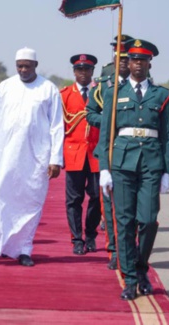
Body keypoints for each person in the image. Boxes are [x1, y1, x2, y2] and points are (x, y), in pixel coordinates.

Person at [98, 39, 169, 300]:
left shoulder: (162, 95)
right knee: (125, 222)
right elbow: (106, 133)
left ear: (150, 63)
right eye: (134, 60)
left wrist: (167, 171)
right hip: (122, 164)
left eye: (143, 60)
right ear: (127, 63)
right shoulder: (113, 93)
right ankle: (130, 278)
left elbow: (166, 136)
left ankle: (141, 267)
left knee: (149, 220)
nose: (138, 64)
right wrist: (104, 168)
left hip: (151, 164)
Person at [0, 47, 63, 267]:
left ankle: (25, 248)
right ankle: (6, 245)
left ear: (35, 65)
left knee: (31, 203)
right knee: (4, 199)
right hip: (7, 156)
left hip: (36, 158)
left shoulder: (48, 89)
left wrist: (55, 159)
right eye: (19, 66)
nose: (23, 70)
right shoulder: (5, 87)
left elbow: (56, 126)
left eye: (27, 66)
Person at [87, 37, 132, 269]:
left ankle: (129, 248)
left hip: (133, 151)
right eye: (119, 57)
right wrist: (107, 121)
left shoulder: (143, 84)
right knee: (109, 204)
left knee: (130, 207)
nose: (123, 62)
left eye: (127, 58)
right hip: (109, 149)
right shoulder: (104, 83)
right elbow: (90, 112)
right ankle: (114, 250)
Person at [60, 53, 100, 255]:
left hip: (95, 154)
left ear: (93, 72)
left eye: (87, 69)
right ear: (74, 72)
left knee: (96, 197)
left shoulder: (100, 93)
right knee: (73, 199)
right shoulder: (65, 94)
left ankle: (91, 235)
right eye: (79, 69)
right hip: (73, 153)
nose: (83, 73)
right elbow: (59, 127)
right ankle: (76, 239)